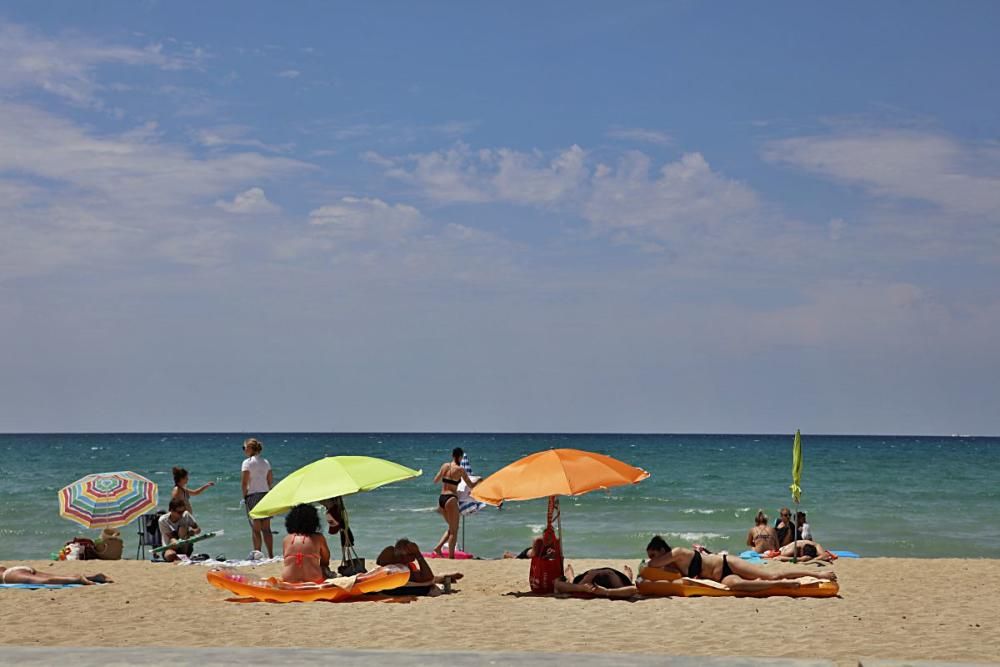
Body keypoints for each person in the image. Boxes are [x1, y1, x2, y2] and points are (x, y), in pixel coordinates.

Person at [645, 535, 836, 592]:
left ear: (662, 550)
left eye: (654, 554)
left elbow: (650, 566)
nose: (652, 559)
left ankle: (818, 575)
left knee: (772, 573)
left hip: (728, 563)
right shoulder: (670, 567)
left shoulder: (678, 552)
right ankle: (779, 585)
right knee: (734, 586)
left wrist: (647, 563)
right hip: (722, 577)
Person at [432, 447, 479, 558]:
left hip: (441, 499)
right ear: (459, 457)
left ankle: (438, 548)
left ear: (452, 456)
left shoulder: (445, 466)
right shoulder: (461, 470)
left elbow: (435, 480)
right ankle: (451, 557)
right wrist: (479, 480)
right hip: (451, 499)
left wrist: (447, 478)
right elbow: (471, 485)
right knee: (454, 531)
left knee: (452, 528)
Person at [376, 538, 463, 596]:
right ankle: (442, 577)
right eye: (411, 553)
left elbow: (427, 578)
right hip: (407, 579)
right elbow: (428, 578)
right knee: (429, 579)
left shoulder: (407, 566)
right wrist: (418, 555)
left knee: (422, 575)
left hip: (412, 575)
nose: (413, 555)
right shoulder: (397, 565)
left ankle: (442, 577)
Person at [241, 437, 274, 558]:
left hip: (253, 495)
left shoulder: (247, 463)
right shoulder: (265, 462)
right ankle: (270, 555)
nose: (244, 450)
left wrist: (244, 496)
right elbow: (270, 480)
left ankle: (257, 554)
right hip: (265, 494)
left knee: (256, 529)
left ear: (249, 448)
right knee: (267, 528)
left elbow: (244, 483)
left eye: (244, 448)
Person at [281, 504, 331, 583]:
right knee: (324, 569)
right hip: (313, 580)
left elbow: (286, 560)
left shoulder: (286, 539)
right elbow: (325, 559)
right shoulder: (318, 538)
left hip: (289, 580)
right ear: (314, 521)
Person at [554, 564, 637, 599]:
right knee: (625, 583)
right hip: (607, 575)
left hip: (608, 575)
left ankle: (571, 579)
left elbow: (558, 585)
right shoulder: (618, 584)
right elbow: (558, 585)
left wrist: (606, 592)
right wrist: (581, 588)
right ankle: (627, 577)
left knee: (573, 583)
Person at [158, 497, 201, 562]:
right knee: (170, 555)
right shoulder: (163, 520)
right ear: (171, 510)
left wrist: (192, 532)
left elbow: (198, 529)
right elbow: (171, 537)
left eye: (183, 511)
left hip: (185, 546)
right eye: (179, 512)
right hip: (170, 547)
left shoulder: (185, 515)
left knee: (183, 528)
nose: (182, 514)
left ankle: (182, 556)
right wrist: (176, 542)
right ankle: (182, 558)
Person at [1, 565, 111, 586]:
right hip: (19, 568)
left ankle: (78, 579)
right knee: (53, 576)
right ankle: (93, 577)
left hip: (9, 575)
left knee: (43, 581)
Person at [769, 540, 834, 563]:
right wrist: (800, 559)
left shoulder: (815, 545)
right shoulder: (791, 550)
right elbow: (780, 557)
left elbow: (826, 556)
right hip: (783, 549)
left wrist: (813, 558)